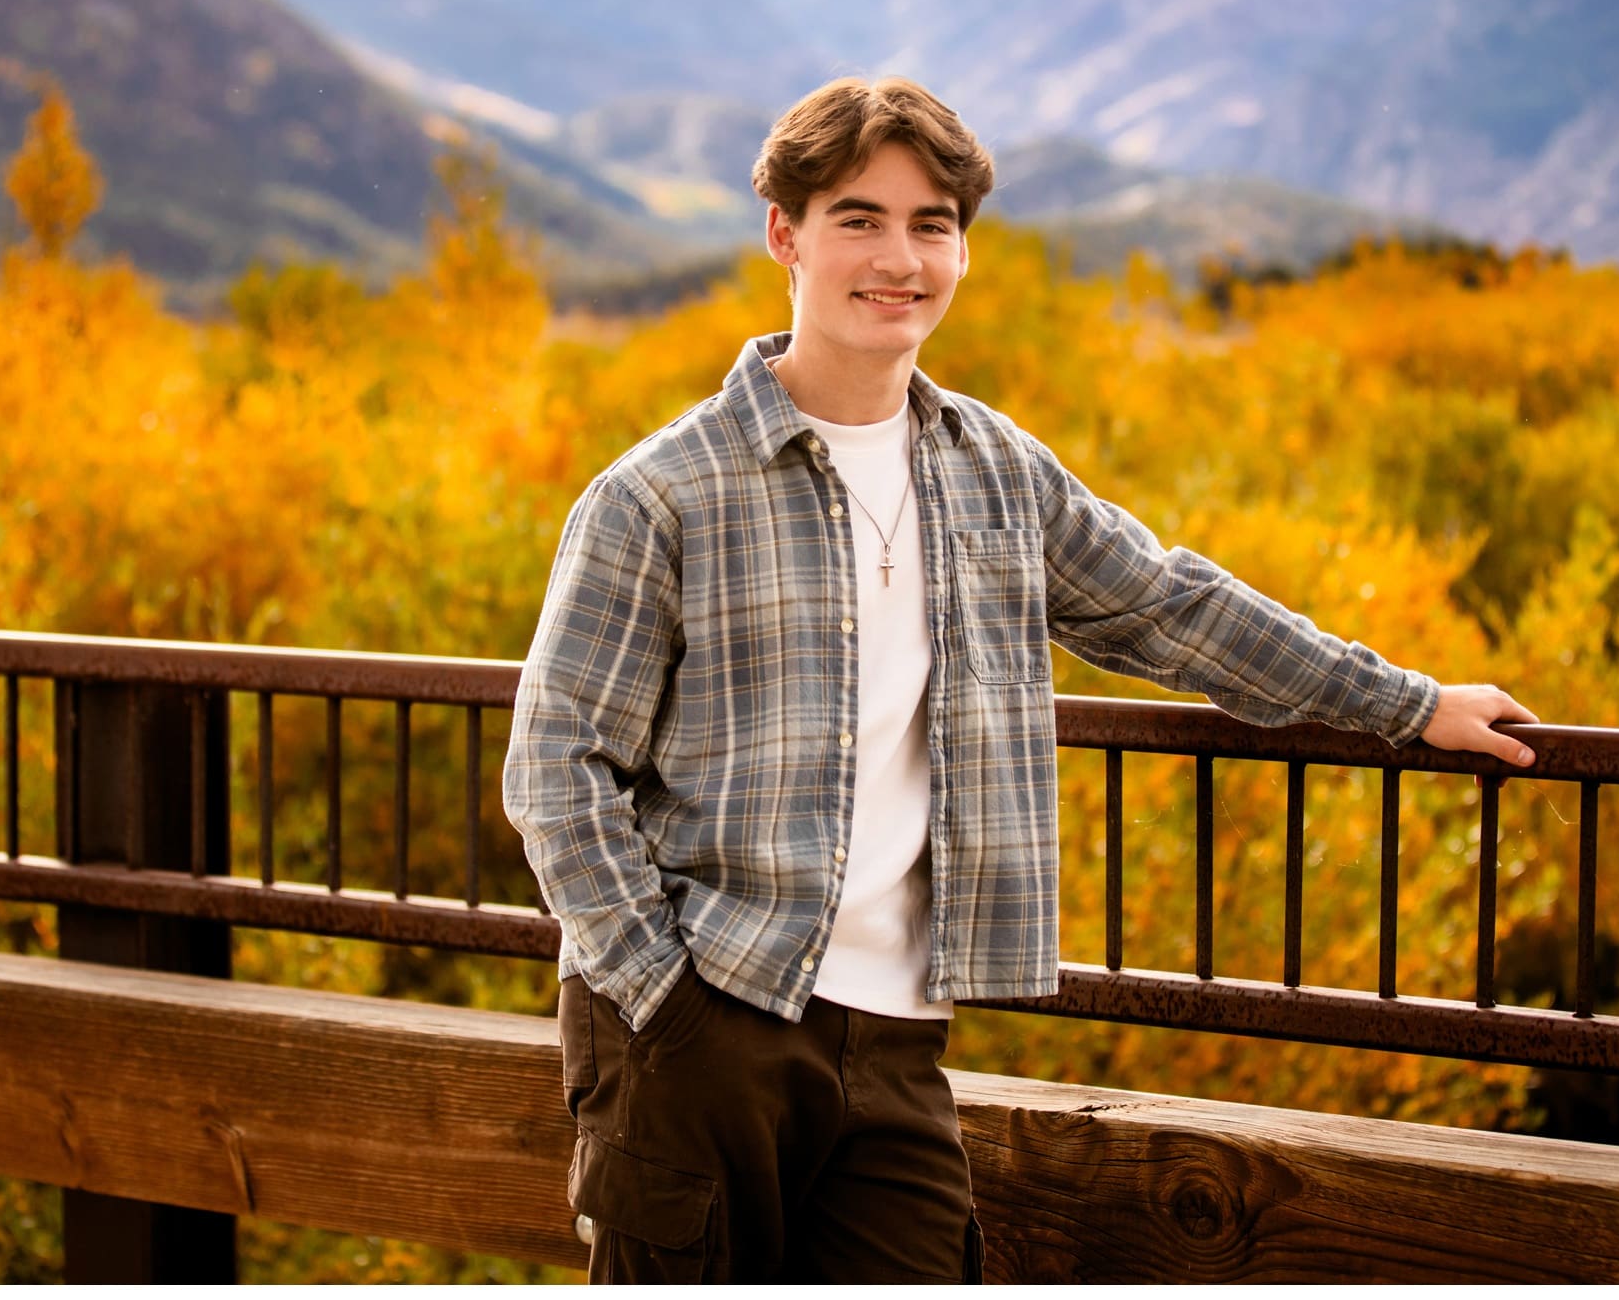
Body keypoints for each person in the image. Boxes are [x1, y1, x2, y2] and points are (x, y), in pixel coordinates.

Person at [504, 77, 1539, 1284]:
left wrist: (1407, 702)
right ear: (785, 235)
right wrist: (666, 1004)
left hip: (896, 1034)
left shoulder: (991, 467)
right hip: (705, 1015)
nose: (900, 257)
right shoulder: (660, 493)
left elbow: (1171, 604)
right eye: (860, 218)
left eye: (932, 223)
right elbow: (556, 773)